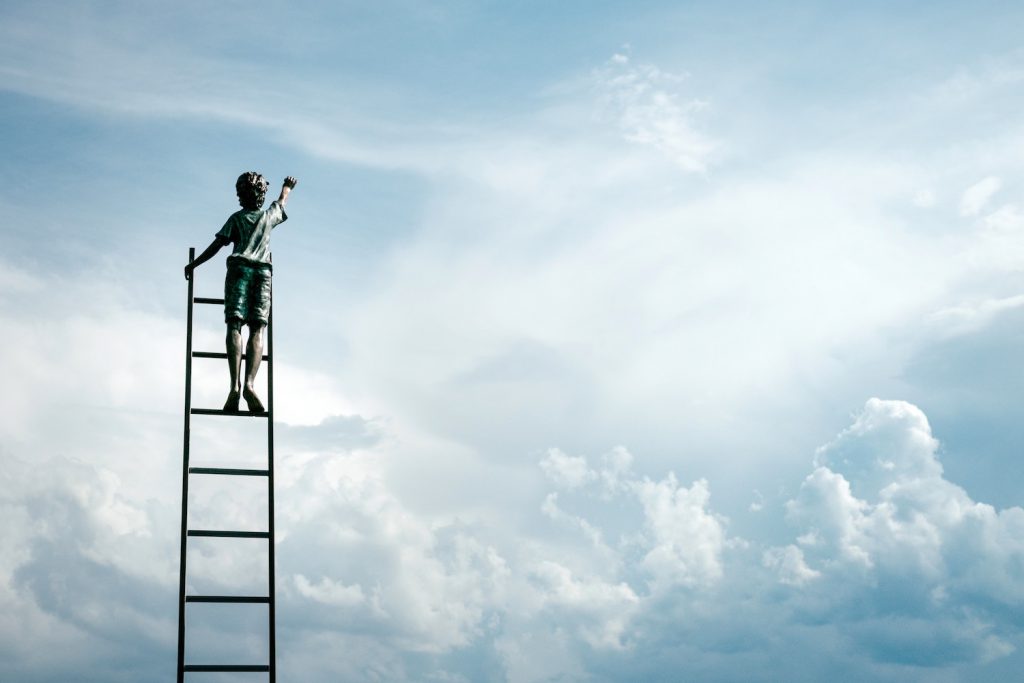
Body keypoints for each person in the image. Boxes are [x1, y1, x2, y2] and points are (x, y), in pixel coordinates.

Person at [184, 172, 298, 413]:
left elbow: (217, 245)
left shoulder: (236, 219)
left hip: (239, 271)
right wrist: (287, 187)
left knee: (234, 325)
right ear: (260, 195)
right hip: (262, 273)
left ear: (241, 195)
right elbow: (281, 202)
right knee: (258, 328)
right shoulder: (268, 216)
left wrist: (195, 265)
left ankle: (234, 386)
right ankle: (249, 384)